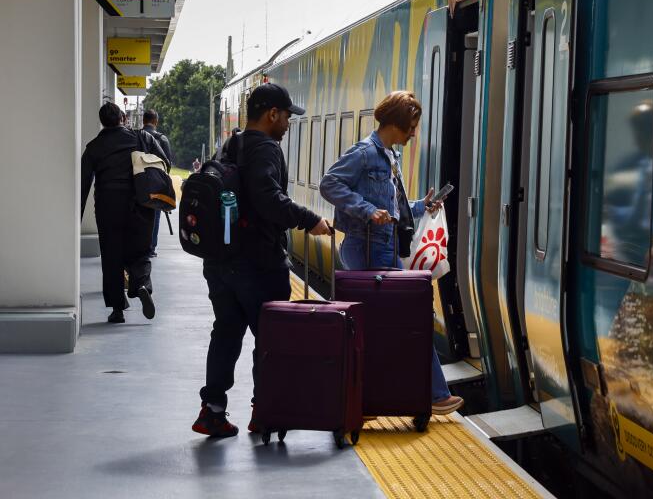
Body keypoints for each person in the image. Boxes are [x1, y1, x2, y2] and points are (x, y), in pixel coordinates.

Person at [192, 83, 331, 438]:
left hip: (221, 262)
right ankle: (265, 412)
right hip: (258, 264)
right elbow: (269, 199)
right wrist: (309, 219)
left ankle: (212, 411)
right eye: (286, 117)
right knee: (270, 339)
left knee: (225, 333)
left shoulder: (232, 144)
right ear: (272, 114)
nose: (287, 124)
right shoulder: (266, 149)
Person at [320, 90, 464, 416]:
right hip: (364, 248)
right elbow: (329, 184)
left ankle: (376, 398)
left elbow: (394, 211)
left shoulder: (390, 156)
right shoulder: (364, 153)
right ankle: (431, 394)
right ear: (396, 124)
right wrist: (366, 209)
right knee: (397, 320)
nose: (414, 133)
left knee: (390, 323)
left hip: (383, 249)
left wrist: (421, 206)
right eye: (411, 126)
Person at [81, 102, 169, 323]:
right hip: (138, 202)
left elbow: (83, 183)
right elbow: (164, 162)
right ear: (122, 118)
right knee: (140, 250)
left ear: (102, 121)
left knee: (111, 256)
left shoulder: (94, 146)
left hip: (108, 206)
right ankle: (142, 285)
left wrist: (75, 218)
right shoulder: (141, 138)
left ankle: (117, 309)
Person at [141, 109, 173, 257]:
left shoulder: (135, 136)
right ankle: (151, 248)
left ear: (143, 121)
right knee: (155, 215)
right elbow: (168, 164)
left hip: (139, 182)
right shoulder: (162, 139)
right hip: (157, 184)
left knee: (140, 214)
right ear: (156, 122)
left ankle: (140, 246)